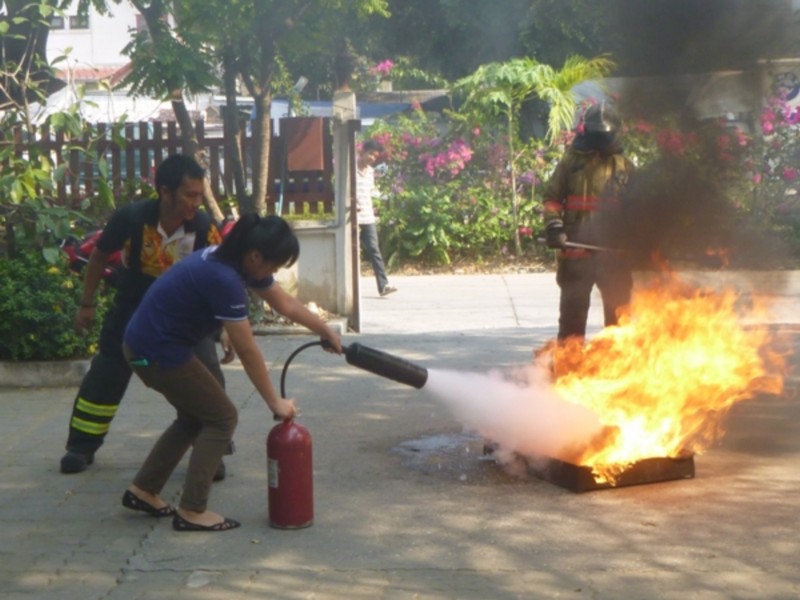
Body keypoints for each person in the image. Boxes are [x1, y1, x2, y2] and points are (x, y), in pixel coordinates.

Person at [120, 214, 343, 532]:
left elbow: (285, 303)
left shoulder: (234, 261)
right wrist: (274, 403)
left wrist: (324, 330)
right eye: (274, 266)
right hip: (155, 353)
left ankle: (143, 490)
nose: (274, 273)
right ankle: (192, 510)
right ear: (255, 256)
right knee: (222, 417)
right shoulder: (223, 277)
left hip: (147, 346)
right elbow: (249, 351)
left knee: (193, 417)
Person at [60, 154, 232, 479]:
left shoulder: (204, 227)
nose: (198, 202)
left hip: (186, 319)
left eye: (200, 194)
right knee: (108, 370)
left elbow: (219, 277)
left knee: (205, 375)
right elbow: (97, 257)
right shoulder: (131, 218)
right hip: (133, 309)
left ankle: (211, 451)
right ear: (165, 192)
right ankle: (81, 446)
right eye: (190, 195)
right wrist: (87, 304)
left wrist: (222, 328)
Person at [542, 101, 635, 341]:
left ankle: (619, 373)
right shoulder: (571, 162)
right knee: (571, 323)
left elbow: (639, 208)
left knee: (619, 322)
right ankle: (568, 371)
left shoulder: (624, 167)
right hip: (576, 256)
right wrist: (554, 227)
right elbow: (552, 198)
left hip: (613, 257)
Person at [356, 139, 397, 297]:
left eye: (375, 156)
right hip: (352, 218)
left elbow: (370, 193)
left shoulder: (371, 172)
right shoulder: (350, 170)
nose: (372, 158)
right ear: (363, 151)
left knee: (375, 251)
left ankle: (383, 285)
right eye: (370, 154)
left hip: (368, 218)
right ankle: (351, 289)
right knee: (352, 254)